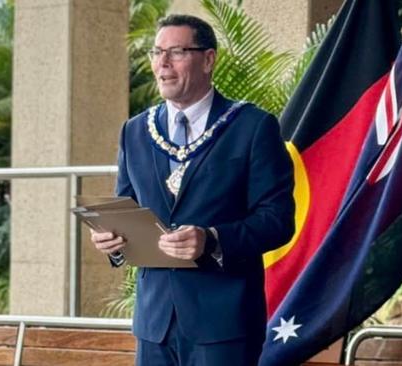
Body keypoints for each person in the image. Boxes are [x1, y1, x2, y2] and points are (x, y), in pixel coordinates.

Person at [90, 14, 295, 366]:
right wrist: (113, 242)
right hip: (154, 323)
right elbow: (127, 209)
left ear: (209, 59)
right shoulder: (135, 131)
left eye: (177, 52)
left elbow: (277, 221)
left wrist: (211, 239)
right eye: (156, 53)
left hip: (224, 323)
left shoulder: (252, 126)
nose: (162, 64)